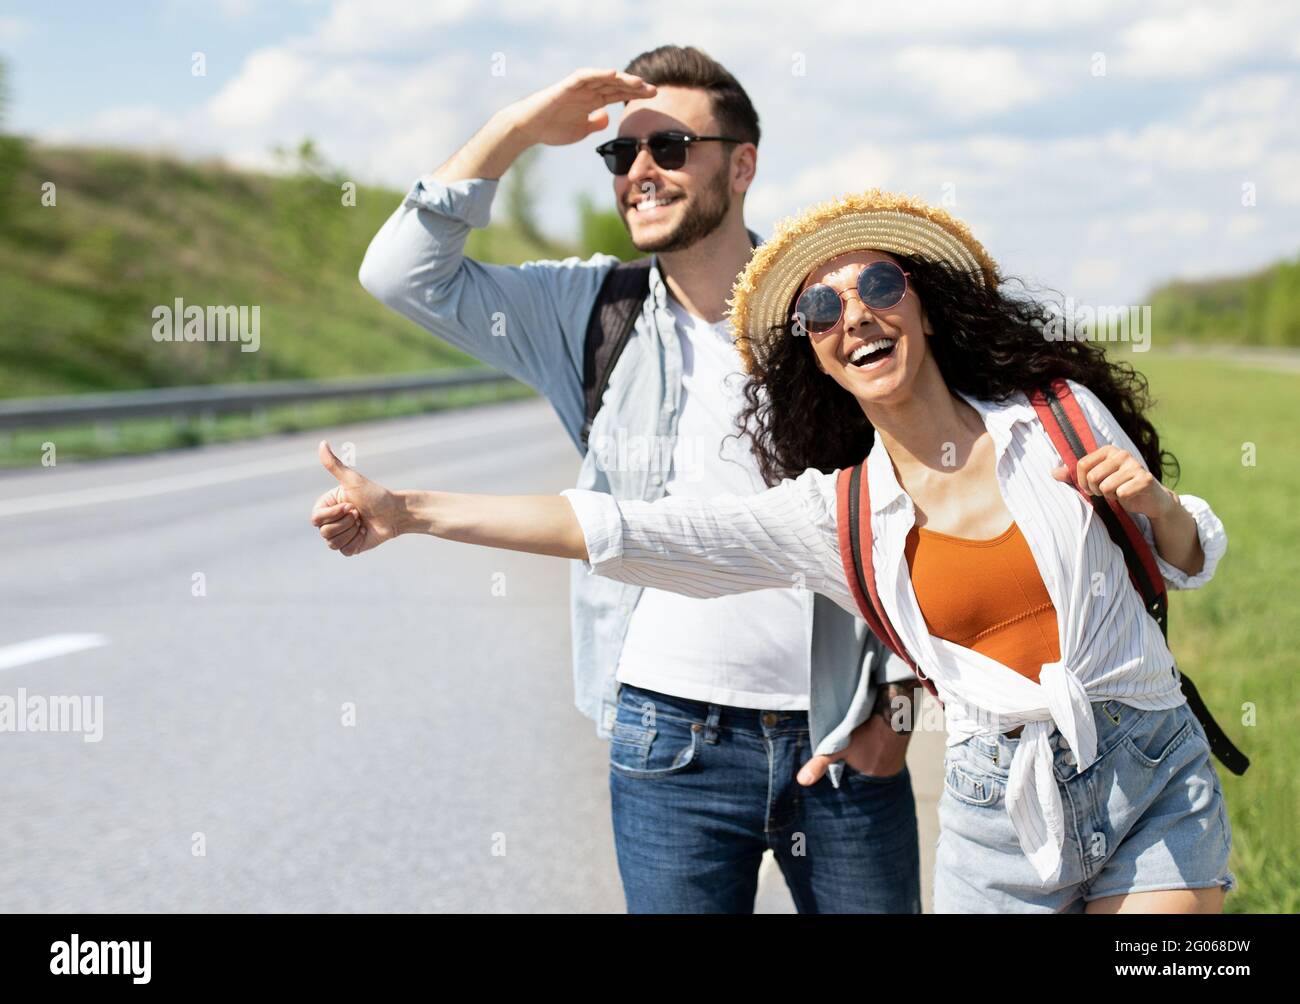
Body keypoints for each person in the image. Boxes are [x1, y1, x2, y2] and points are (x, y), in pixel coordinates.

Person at [315, 188, 1237, 913]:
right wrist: (411, 509)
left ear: (924, 303)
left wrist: (1158, 505)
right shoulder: (833, 515)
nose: (856, 317)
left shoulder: (1057, 416)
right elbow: (622, 532)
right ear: (814, 357)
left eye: (878, 287)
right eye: (823, 312)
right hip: (1001, 812)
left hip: (1149, 762)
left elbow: (1190, 554)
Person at [351, 45, 921, 914]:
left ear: (742, 164)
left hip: (843, 735)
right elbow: (399, 273)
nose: (639, 171)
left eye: (669, 148)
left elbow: (922, 498)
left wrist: (903, 703)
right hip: (668, 747)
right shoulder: (588, 312)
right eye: (622, 154)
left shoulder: (831, 310)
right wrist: (513, 130)